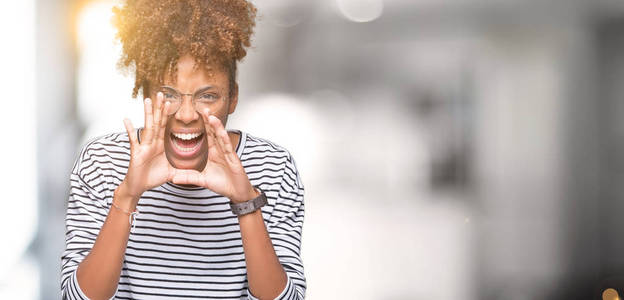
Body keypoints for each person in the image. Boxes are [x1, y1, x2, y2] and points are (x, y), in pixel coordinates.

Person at [60, 1, 306, 299]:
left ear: (232, 98)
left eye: (208, 96)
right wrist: (127, 195)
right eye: (168, 94)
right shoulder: (102, 163)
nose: (187, 114)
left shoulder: (272, 167)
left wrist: (246, 204)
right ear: (145, 94)